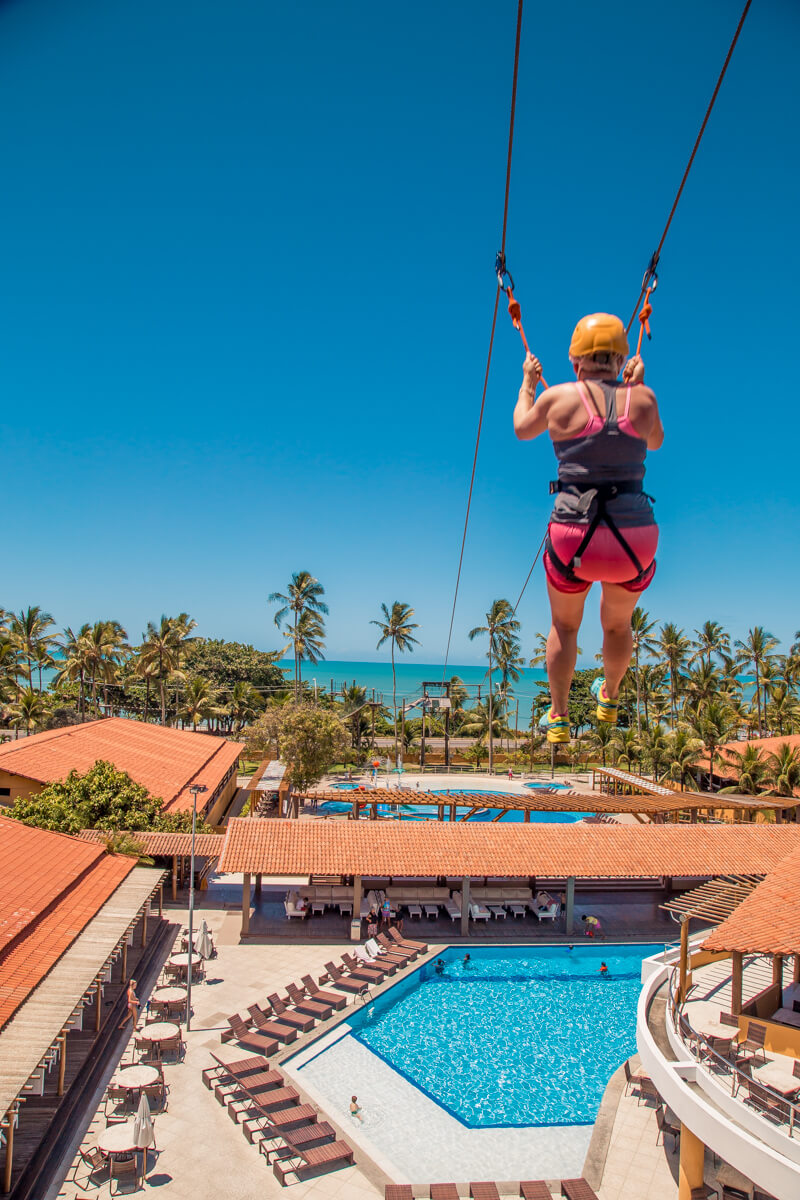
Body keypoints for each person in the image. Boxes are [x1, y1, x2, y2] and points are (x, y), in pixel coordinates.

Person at [513, 314, 664, 743]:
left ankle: (559, 715)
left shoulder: (558, 398)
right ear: (620, 358)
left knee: (565, 627)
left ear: (575, 360)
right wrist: (636, 387)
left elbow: (523, 428)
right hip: (633, 541)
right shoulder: (644, 400)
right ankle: (610, 695)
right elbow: (656, 440)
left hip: (573, 537)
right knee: (618, 626)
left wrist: (528, 381)